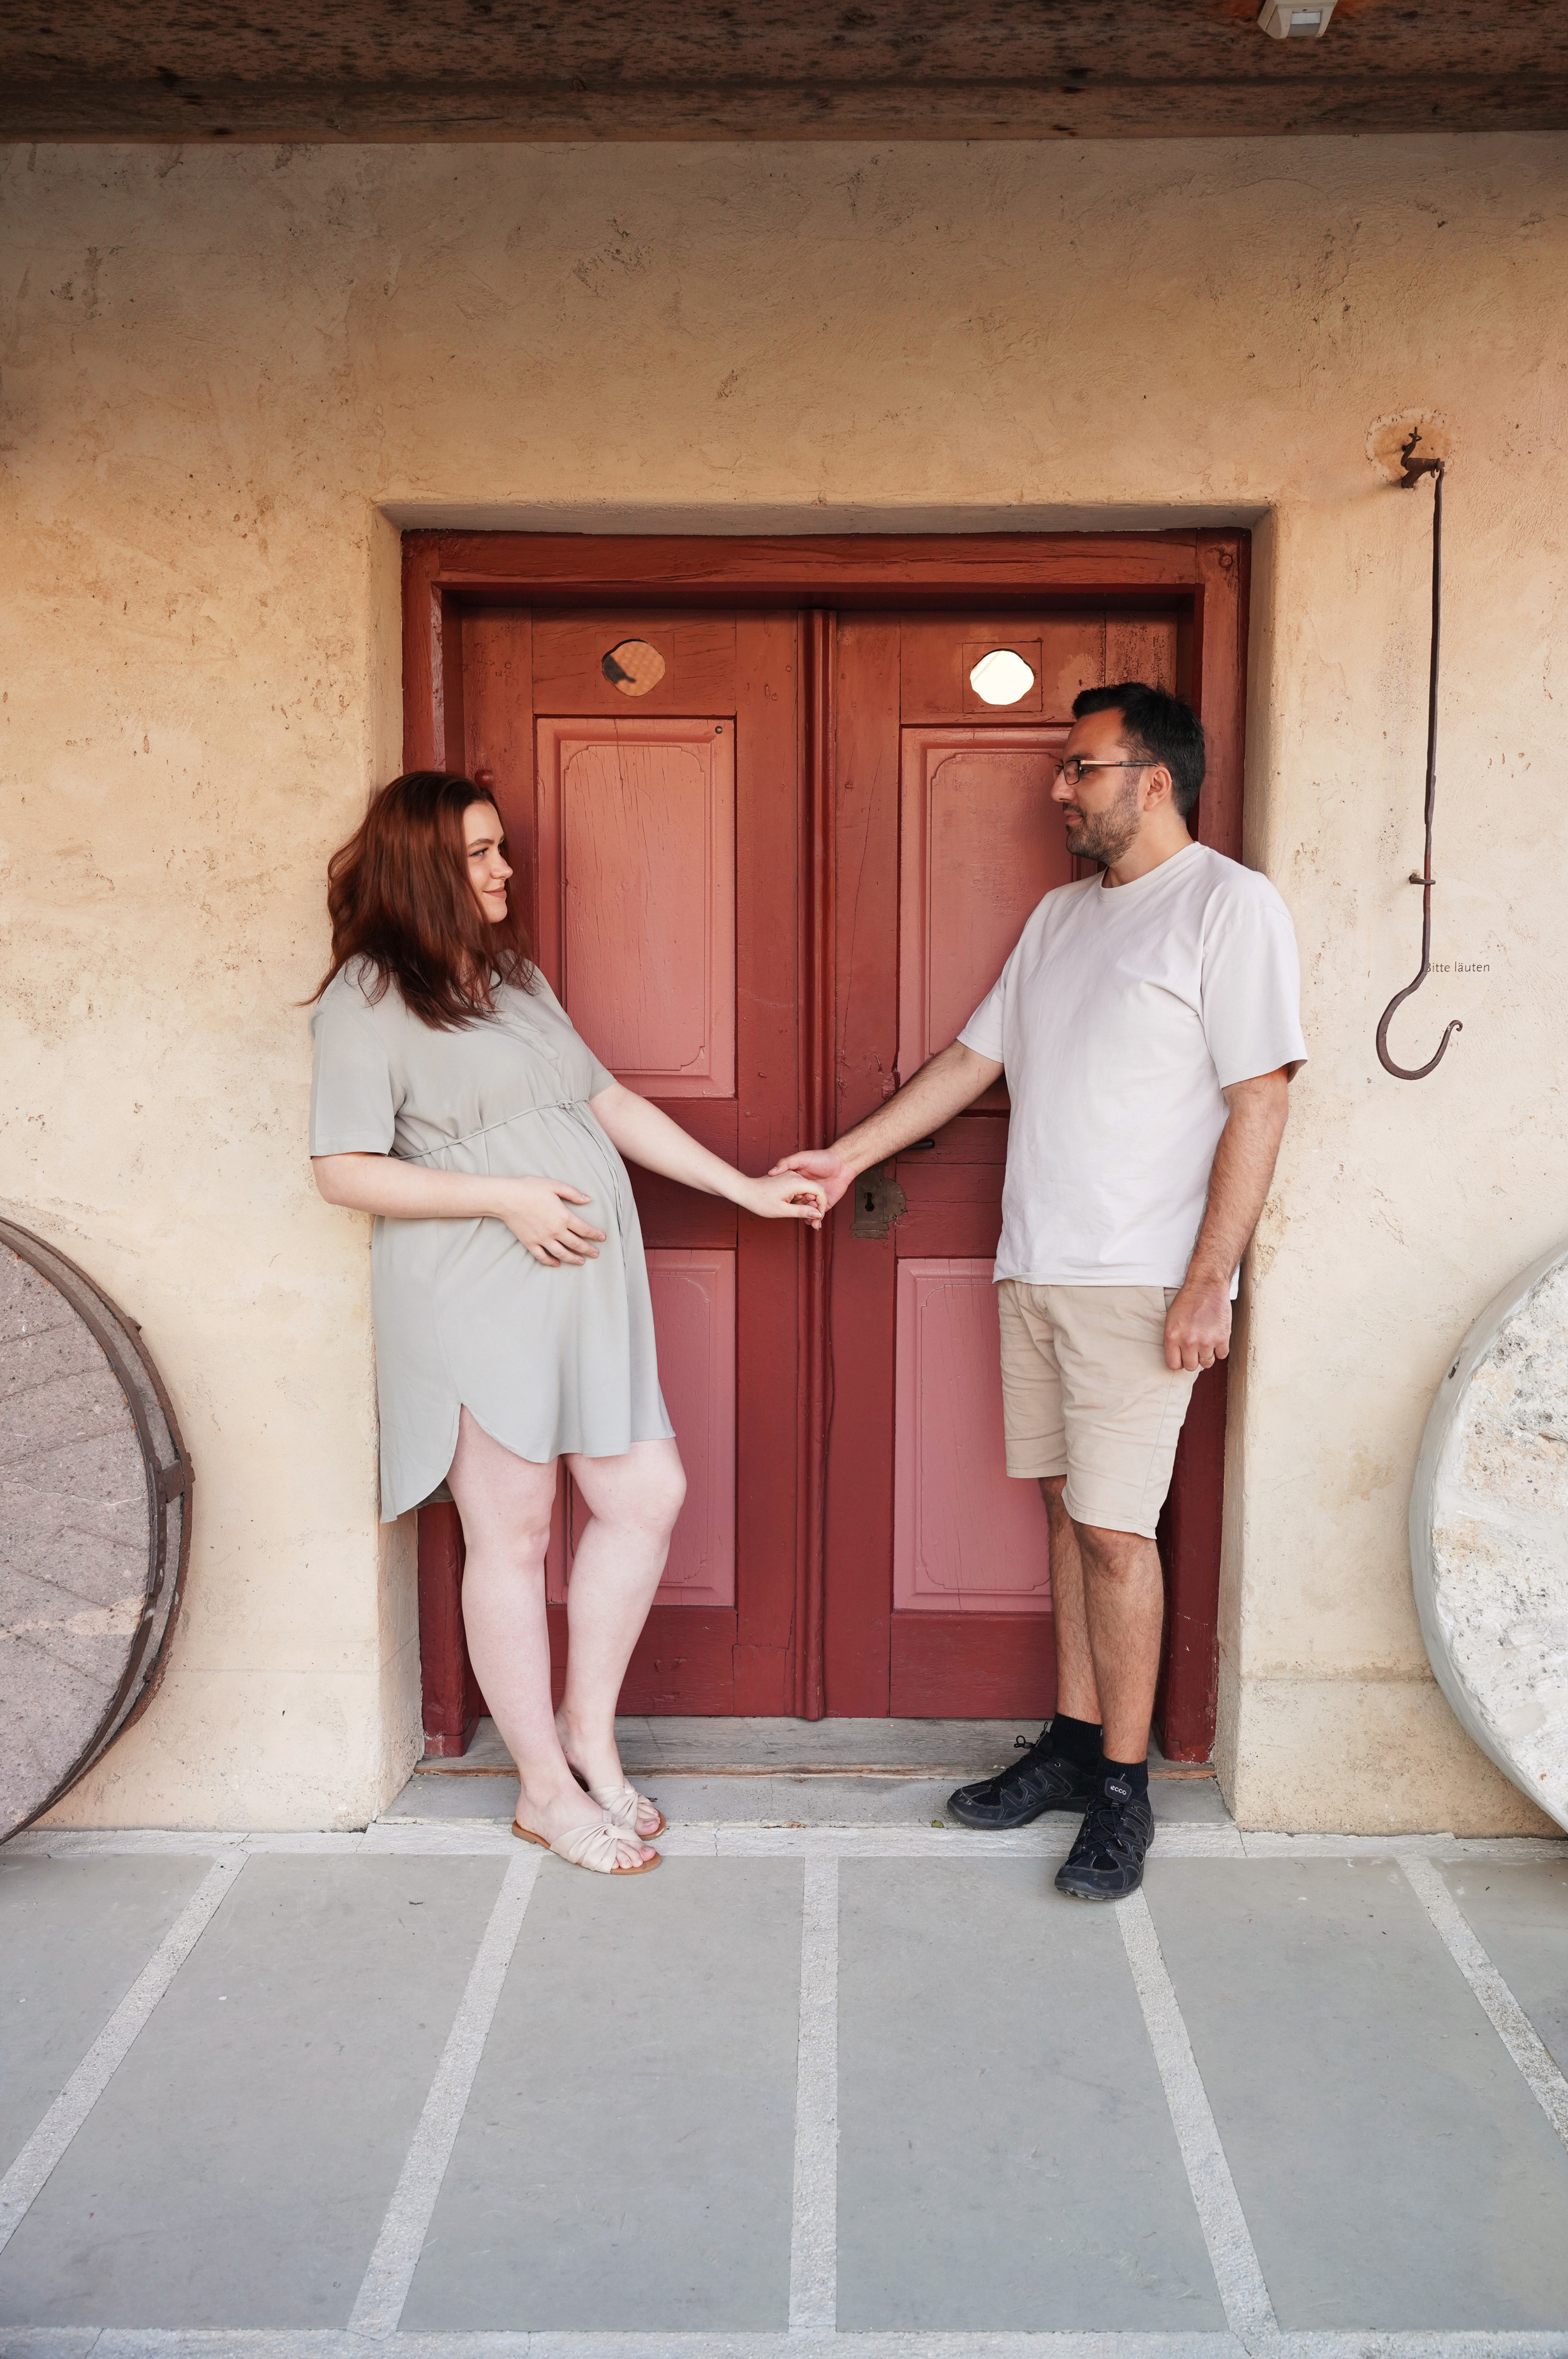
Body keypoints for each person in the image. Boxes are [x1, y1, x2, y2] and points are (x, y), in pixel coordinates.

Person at [778, 683, 1305, 1903]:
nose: (1059, 790)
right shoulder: (1062, 917)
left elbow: (1262, 1097)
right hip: (1036, 1269)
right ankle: (1074, 1746)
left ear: (1152, 778)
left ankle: (1127, 1790)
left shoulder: (1230, 906)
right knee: (1070, 1518)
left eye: (1080, 768)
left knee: (1120, 1534)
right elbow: (976, 1059)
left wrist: (1206, 1282)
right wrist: (850, 1154)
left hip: (1140, 1282)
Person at [308, 773, 825, 1875]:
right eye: (479, 854)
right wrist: (507, 1196)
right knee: (517, 1532)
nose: (502, 870)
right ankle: (544, 1789)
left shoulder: (515, 978)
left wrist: (739, 1187)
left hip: (581, 1286)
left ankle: (588, 1733)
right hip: (472, 1284)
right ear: (420, 870)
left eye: (499, 849)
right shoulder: (367, 996)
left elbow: (606, 1103)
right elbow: (342, 1169)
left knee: (645, 1493)